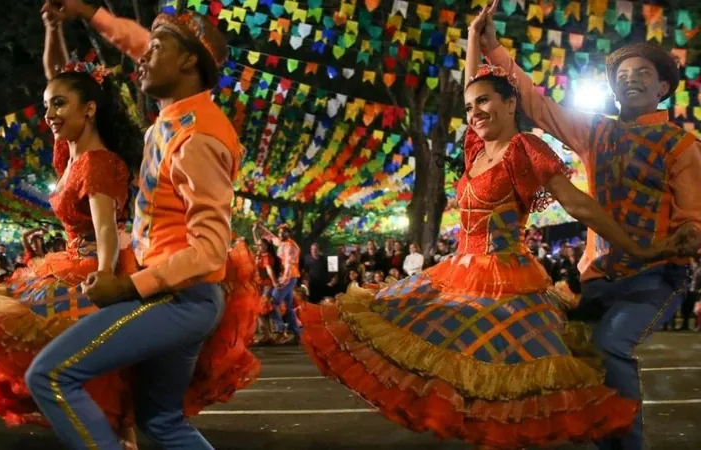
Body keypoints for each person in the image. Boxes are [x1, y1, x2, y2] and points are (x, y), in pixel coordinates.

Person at [296, 4, 691, 448]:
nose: (475, 111)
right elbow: (482, 93)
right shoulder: (484, 149)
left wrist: (644, 249)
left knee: (554, 366)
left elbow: (583, 206)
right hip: (481, 273)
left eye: (487, 102)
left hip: (540, 277)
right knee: (460, 370)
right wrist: (475, 43)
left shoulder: (535, 149)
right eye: (469, 107)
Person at [23, 1, 258, 449]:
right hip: (176, 295)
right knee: (162, 421)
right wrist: (88, 13)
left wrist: (129, 288)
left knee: (51, 375)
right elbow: (135, 41)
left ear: (188, 61)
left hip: (178, 299)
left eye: (156, 49)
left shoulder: (199, 137)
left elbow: (211, 250)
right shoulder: (175, 116)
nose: (142, 56)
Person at [477, 0, 701, 447]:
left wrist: (689, 236)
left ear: (662, 89)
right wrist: (494, 51)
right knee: (555, 349)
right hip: (596, 278)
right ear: (613, 91)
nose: (630, 79)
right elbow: (537, 106)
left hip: (656, 276)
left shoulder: (681, 145)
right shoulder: (596, 132)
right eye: (622, 75)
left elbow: (693, 219)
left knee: (609, 345)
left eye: (642, 74)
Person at [0, 6, 144, 447]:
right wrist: (51, 28)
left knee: (101, 375)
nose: (49, 113)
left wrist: (104, 278)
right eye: (47, 105)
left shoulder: (98, 163)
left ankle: (123, 438)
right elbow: (56, 73)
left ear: (89, 109)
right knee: (84, 373)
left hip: (96, 267)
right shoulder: (70, 153)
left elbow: (105, 229)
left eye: (59, 105)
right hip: (71, 264)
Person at [254, 222, 302, 344]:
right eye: (279, 233)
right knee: (288, 306)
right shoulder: (283, 243)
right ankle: (298, 334)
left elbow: (288, 266)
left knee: (272, 303)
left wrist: (282, 281)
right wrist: (260, 228)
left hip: (289, 277)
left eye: (282, 232)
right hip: (287, 277)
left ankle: (281, 332)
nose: (280, 235)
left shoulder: (290, 246)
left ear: (288, 233)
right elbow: (271, 237)